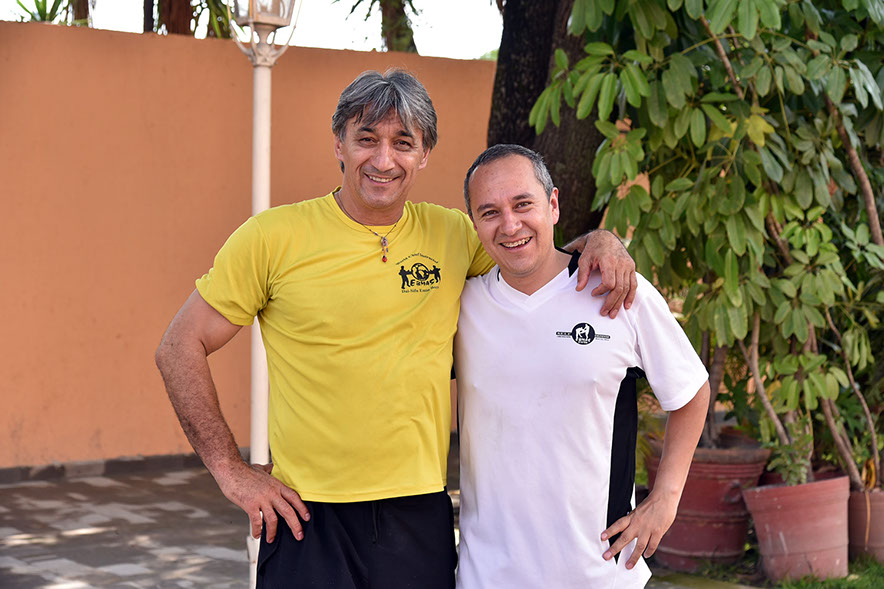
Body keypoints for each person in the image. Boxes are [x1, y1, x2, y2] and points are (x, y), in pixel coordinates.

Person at [154, 70, 636, 588]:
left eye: (403, 143)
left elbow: (532, 260)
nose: (384, 160)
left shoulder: (453, 234)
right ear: (338, 144)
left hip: (417, 516)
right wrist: (231, 473)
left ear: (424, 154)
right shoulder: (272, 238)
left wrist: (600, 241)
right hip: (306, 517)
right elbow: (179, 346)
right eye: (367, 139)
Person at [454, 144, 710, 589]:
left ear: (553, 205)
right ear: (474, 224)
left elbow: (690, 390)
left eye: (523, 204)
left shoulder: (618, 290)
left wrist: (666, 497)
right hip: (486, 575)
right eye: (489, 212)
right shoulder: (461, 305)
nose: (510, 225)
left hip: (599, 572)